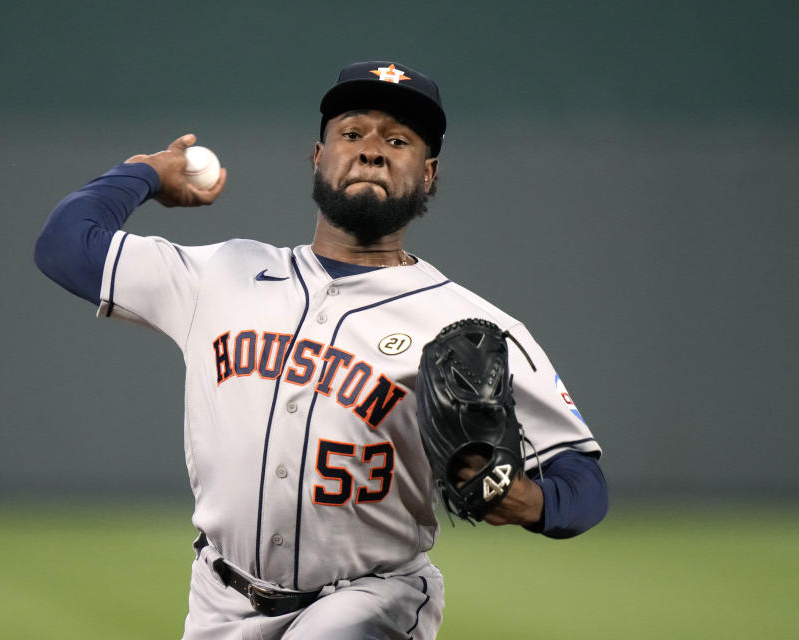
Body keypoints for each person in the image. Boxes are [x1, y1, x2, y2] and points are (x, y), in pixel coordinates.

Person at [35, 60, 608, 639]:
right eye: (352, 133)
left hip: (369, 599)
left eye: (399, 140)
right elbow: (65, 246)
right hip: (218, 601)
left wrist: (524, 500)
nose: (372, 151)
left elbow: (582, 483)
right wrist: (145, 173)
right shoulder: (224, 273)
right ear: (317, 156)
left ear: (428, 174)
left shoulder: (468, 325)